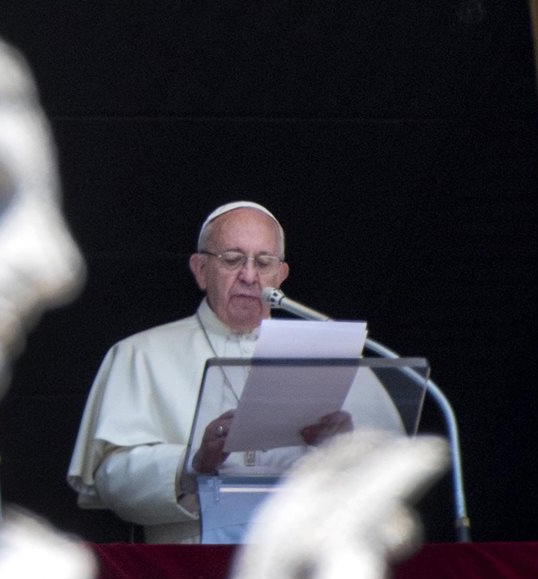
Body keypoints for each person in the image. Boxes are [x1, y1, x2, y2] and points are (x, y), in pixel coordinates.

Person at [67, 201, 401, 543]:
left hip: (306, 560)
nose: (250, 276)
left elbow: (394, 470)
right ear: (200, 269)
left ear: (281, 275)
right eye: (232, 259)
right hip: (188, 567)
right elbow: (111, 479)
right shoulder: (140, 354)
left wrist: (344, 445)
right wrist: (194, 462)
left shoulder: (331, 353)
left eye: (264, 262)